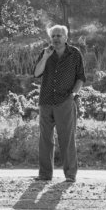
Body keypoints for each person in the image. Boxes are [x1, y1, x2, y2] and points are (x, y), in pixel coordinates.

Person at [33, 24, 85, 183]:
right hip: (46, 101)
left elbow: (81, 78)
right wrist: (45, 58)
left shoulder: (75, 54)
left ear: (66, 37)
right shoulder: (45, 53)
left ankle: (70, 175)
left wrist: (73, 95)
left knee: (67, 138)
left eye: (59, 35)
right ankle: (44, 175)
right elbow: (36, 73)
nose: (56, 38)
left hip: (65, 101)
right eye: (53, 36)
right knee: (45, 139)